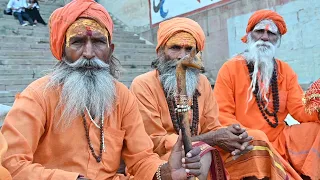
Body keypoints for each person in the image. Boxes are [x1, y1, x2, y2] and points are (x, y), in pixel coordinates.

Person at [0, 0, 203, 179]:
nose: (89, 53)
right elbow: (9, 163)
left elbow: (141, 158)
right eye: (77, 42)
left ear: (110, 50)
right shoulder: (38, 95)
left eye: (98, 42)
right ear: (62, 50)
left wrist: (166, 173)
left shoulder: (122, 96)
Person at [130, 17, 301, 180]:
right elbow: (156, 142)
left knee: (254, 139)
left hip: (205, 149)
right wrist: (211, 139)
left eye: (189, 50)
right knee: (200, 154)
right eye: (175, 48)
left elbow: (212, 127)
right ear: (160, 51)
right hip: (166, 158)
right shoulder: (144, 84)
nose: (182, 56)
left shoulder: (202, 82)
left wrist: (233, 136)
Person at [213, 9, 320, 180]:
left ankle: (308, 174)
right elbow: (222, 114)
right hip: (248, 141)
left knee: (315, 129)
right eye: (259, 31)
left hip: (279, 140)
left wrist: (317, 106)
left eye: (271, 33)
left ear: (278, 40)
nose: (264, 37)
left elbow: (300, 109)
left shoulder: (285, 70)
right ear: (249, 35)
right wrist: (245, 136)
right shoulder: (230, 69)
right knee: (259, 137)